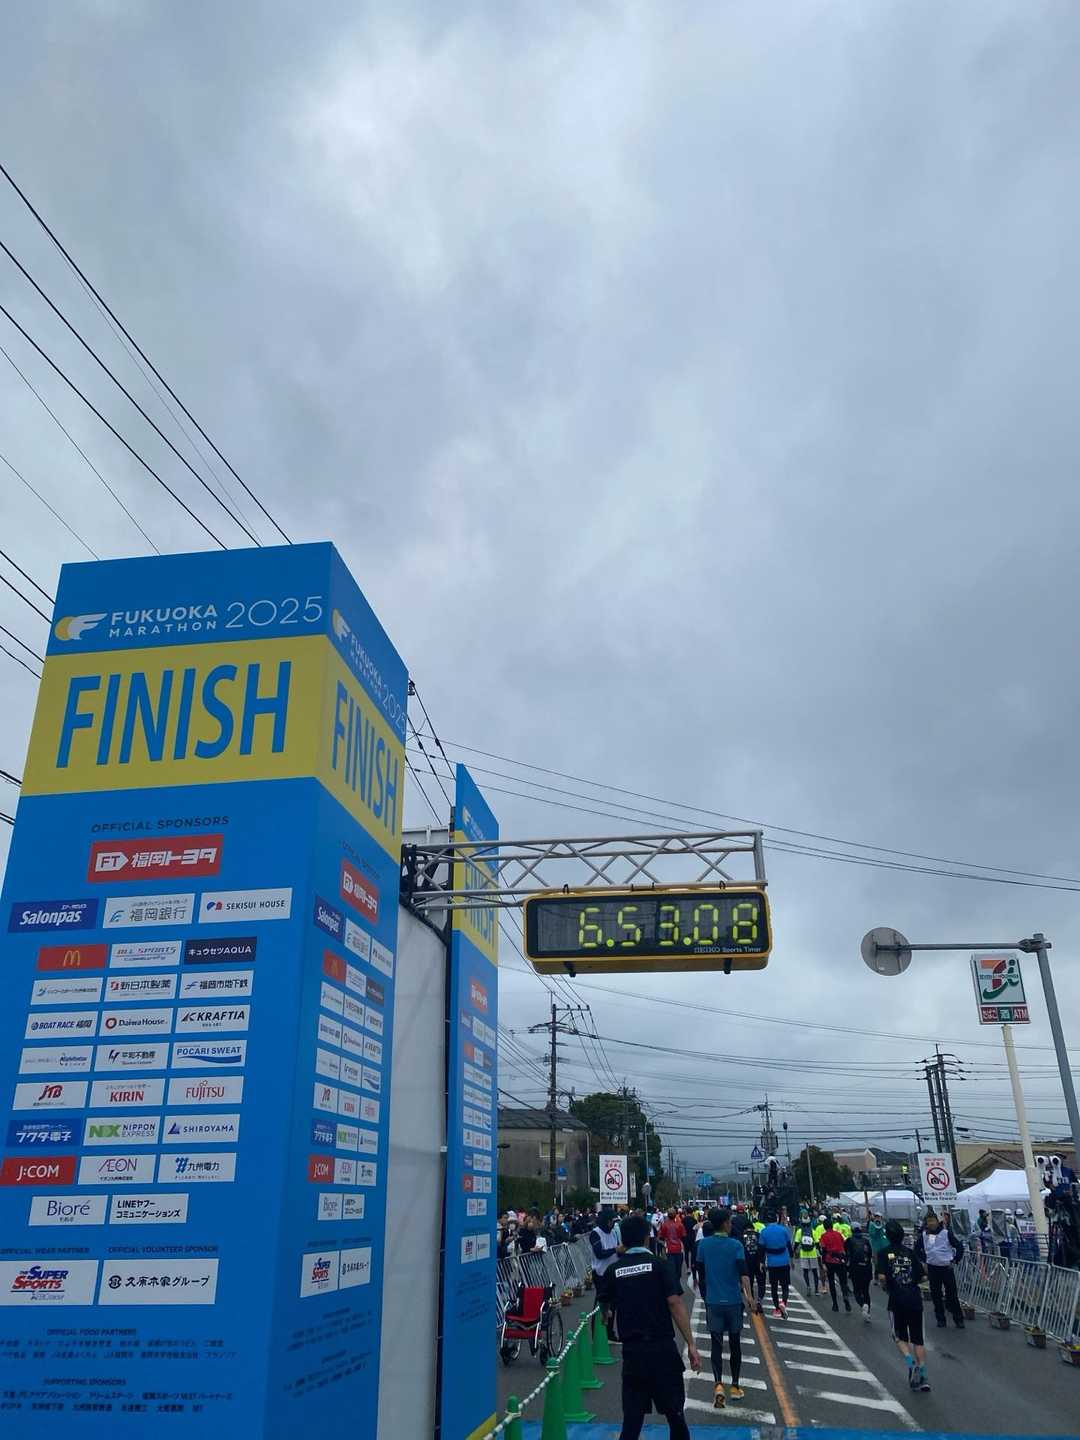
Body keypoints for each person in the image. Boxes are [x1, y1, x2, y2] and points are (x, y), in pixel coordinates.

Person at [597, 1213, 700, 1440]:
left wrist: (606, 1314)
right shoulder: (660, 1265)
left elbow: (603, 1300)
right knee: (675, 1415)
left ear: (623, 1241)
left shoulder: (615, 1270)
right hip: (662, 1348)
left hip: (633, 1352)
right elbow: (675, 1303)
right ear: (646, 1238)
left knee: (632, 1420)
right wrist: (691, 1344)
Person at [697, 1207, 755, 1408]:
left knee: (716, 1345)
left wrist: (706, 1295)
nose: (731, 1225)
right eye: (730, 1221)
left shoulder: (703, 1245)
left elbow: (701, 1274)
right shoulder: (735, 1245)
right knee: (735, 1344)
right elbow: (744, 1274)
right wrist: (750, 1297)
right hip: (733, 1302)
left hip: (713, 1301)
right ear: (724, 1224)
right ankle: (735, 1386)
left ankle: (718, 1384)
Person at [876, 1219, 931, 1392]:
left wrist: (886, 1286)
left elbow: (882, 1277)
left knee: (899, 1336)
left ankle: (910, 1361)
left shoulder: (883, 1253)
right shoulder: (910, 1253)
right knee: (918, 1340)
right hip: (914, 1299)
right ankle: (923, 1375)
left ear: (887, 1236)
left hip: (896, 1300)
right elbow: (923, 1276)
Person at [915, 1212, 965, 1329]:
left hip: (946, 1268)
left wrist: (955, 1260)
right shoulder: (924, 1235)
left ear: (937, 1221)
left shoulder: (946, 1233)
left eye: (933, 1220)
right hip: (932, 1268)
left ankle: (958, 1319)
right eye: (929, 1221)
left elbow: (959, 1247)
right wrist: (924, 1260)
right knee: (936, 1295)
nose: (931, 1223)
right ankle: (940, 1319)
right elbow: (917, 1249)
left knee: (952, 1294)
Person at [590, 1209, 622, 1338]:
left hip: (613, 1273)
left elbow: (617, 1250)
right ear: (606, 1221)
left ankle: (609, 1333)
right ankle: (596, 1333)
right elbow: (599, 1253)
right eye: (611, 1222)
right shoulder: (595, 1233)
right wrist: (615, 1250)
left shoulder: (613, 1233)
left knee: (612, 1305)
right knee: (600, 1304)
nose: (613, 1225)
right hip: (600, 1273)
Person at [758, 1212, 794, 1318]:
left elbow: (761, 1249)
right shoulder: (783, 1230)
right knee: (785, 1286)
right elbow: (789, 1246)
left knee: (774, 1287)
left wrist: (761, 1262)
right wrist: (791, 1260)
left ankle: (777, 1309)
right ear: (776, 1219)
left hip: (772, 1263)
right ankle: (783, 1302)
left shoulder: (764, 1232)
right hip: (784, 1262)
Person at [819, 1219, 852, 1312]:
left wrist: (823, 1263)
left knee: (831, 1282)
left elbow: (824, 1250)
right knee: (843, 1282)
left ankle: (835, 1304)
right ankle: (845, 1296)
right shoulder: (838, 1234)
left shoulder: (824, 1236)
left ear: (824, 1227)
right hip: (840, 1260)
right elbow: (844, 1245)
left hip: (830, 1260)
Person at [847, 1222, 875, 1321]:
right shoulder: (866, 1241)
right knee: (866, 1291)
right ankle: (868, 1313)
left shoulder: (849, 1240)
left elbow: (847, 1255)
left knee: (857, 1291)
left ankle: (863, 1305)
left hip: (855, 1268)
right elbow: (870, 1255)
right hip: (867, 1268)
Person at [658, 1207, 687, 1286]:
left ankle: (674, 1285)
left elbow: (661, 1238)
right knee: (678, 1269)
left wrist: (662, 1250)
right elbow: (684, 1237)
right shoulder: (680, 1225)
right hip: (679, 1249)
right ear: (675, 1215)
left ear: (668, 1215)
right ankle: (677, 1284)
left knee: (671, 1270)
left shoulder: (664, 1225)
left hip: (669, 1250)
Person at [793, 1216, 821, 1297]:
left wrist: (793, 1251)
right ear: (809, 1223)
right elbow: (817, 1243)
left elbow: (796, 1243)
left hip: (803, 1253)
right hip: (813, 1253)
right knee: (815, 1272)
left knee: (805, 1271)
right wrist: (820, 1252)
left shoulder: (799, 1232)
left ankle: (808, 1286)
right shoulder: (813, 1231)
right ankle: (816, 1290)